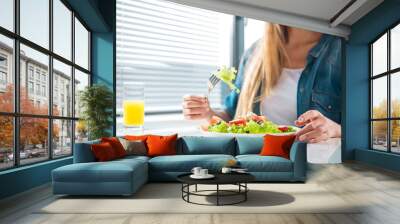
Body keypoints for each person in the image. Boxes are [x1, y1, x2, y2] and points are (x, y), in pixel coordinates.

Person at [182, 23, 342, 143]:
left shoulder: (341, 49)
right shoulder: (254, 53)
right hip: (256, 161)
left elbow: (364, 129)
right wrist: (207, 113)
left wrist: (336, 129)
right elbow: (232, 117)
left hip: (313, 164)